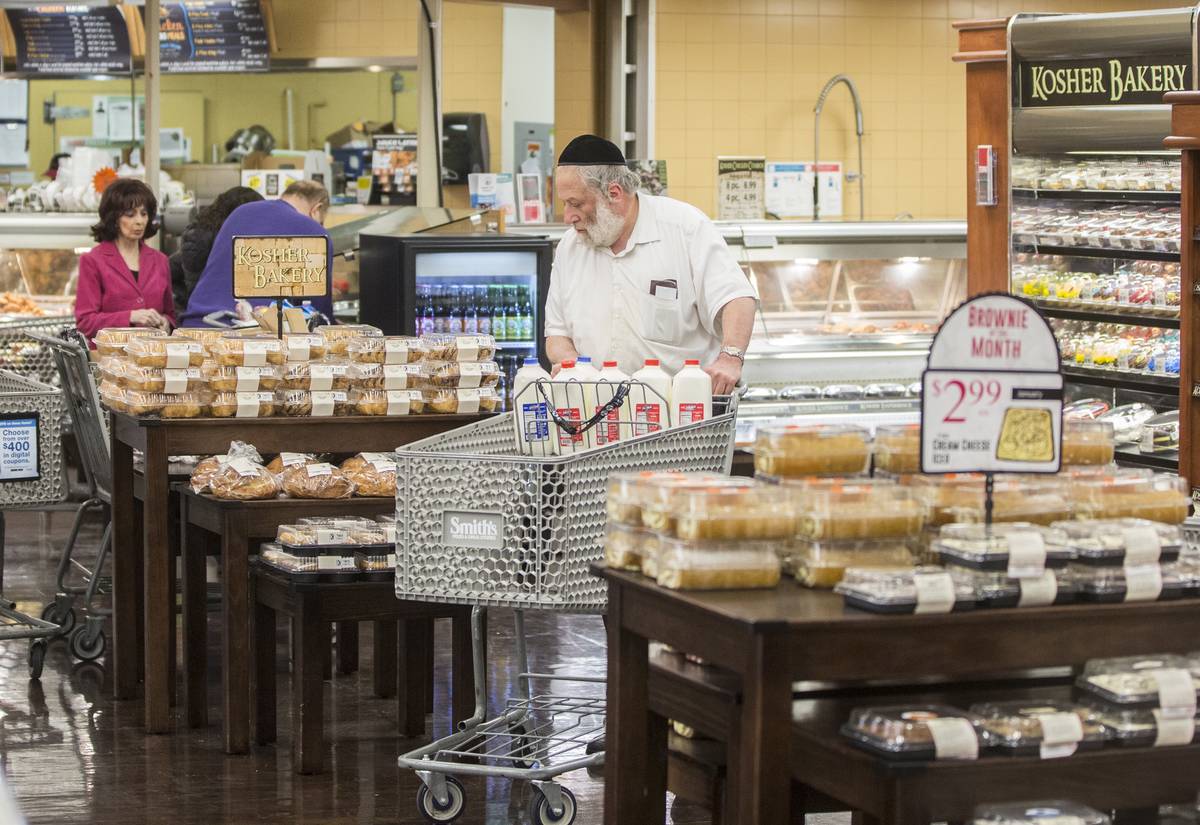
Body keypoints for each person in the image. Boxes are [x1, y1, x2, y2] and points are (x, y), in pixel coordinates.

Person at [544, 134, 757, 395]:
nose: (568, 216)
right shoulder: (570, 247)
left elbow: (736, 298)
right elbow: (557, 335)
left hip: (682, 417)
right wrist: (571, 366)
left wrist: (730, 357)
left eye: (575, 204)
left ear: (614, 193)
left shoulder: (684, 227)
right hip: (597, 415)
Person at [180, 180, 333, 327]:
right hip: (250, 335)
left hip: (197, 323)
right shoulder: (315, 233)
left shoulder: (242, 211)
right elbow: (319, 316)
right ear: (316, 210)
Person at [75, 178, 173, 344]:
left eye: (144, 213)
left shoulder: (161, 261)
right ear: (114, 218)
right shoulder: (92, 261)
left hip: (152, 359)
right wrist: (130, 317)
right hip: (109, 361)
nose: (139, 221)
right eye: (130, 214)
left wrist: (166, 323)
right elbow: (85, 323)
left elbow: (170, 314)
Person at [169, 186, 263, 317]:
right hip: (206, 315)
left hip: (208, 311)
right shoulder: (205, 239)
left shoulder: (203, 234)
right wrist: (183, 301)